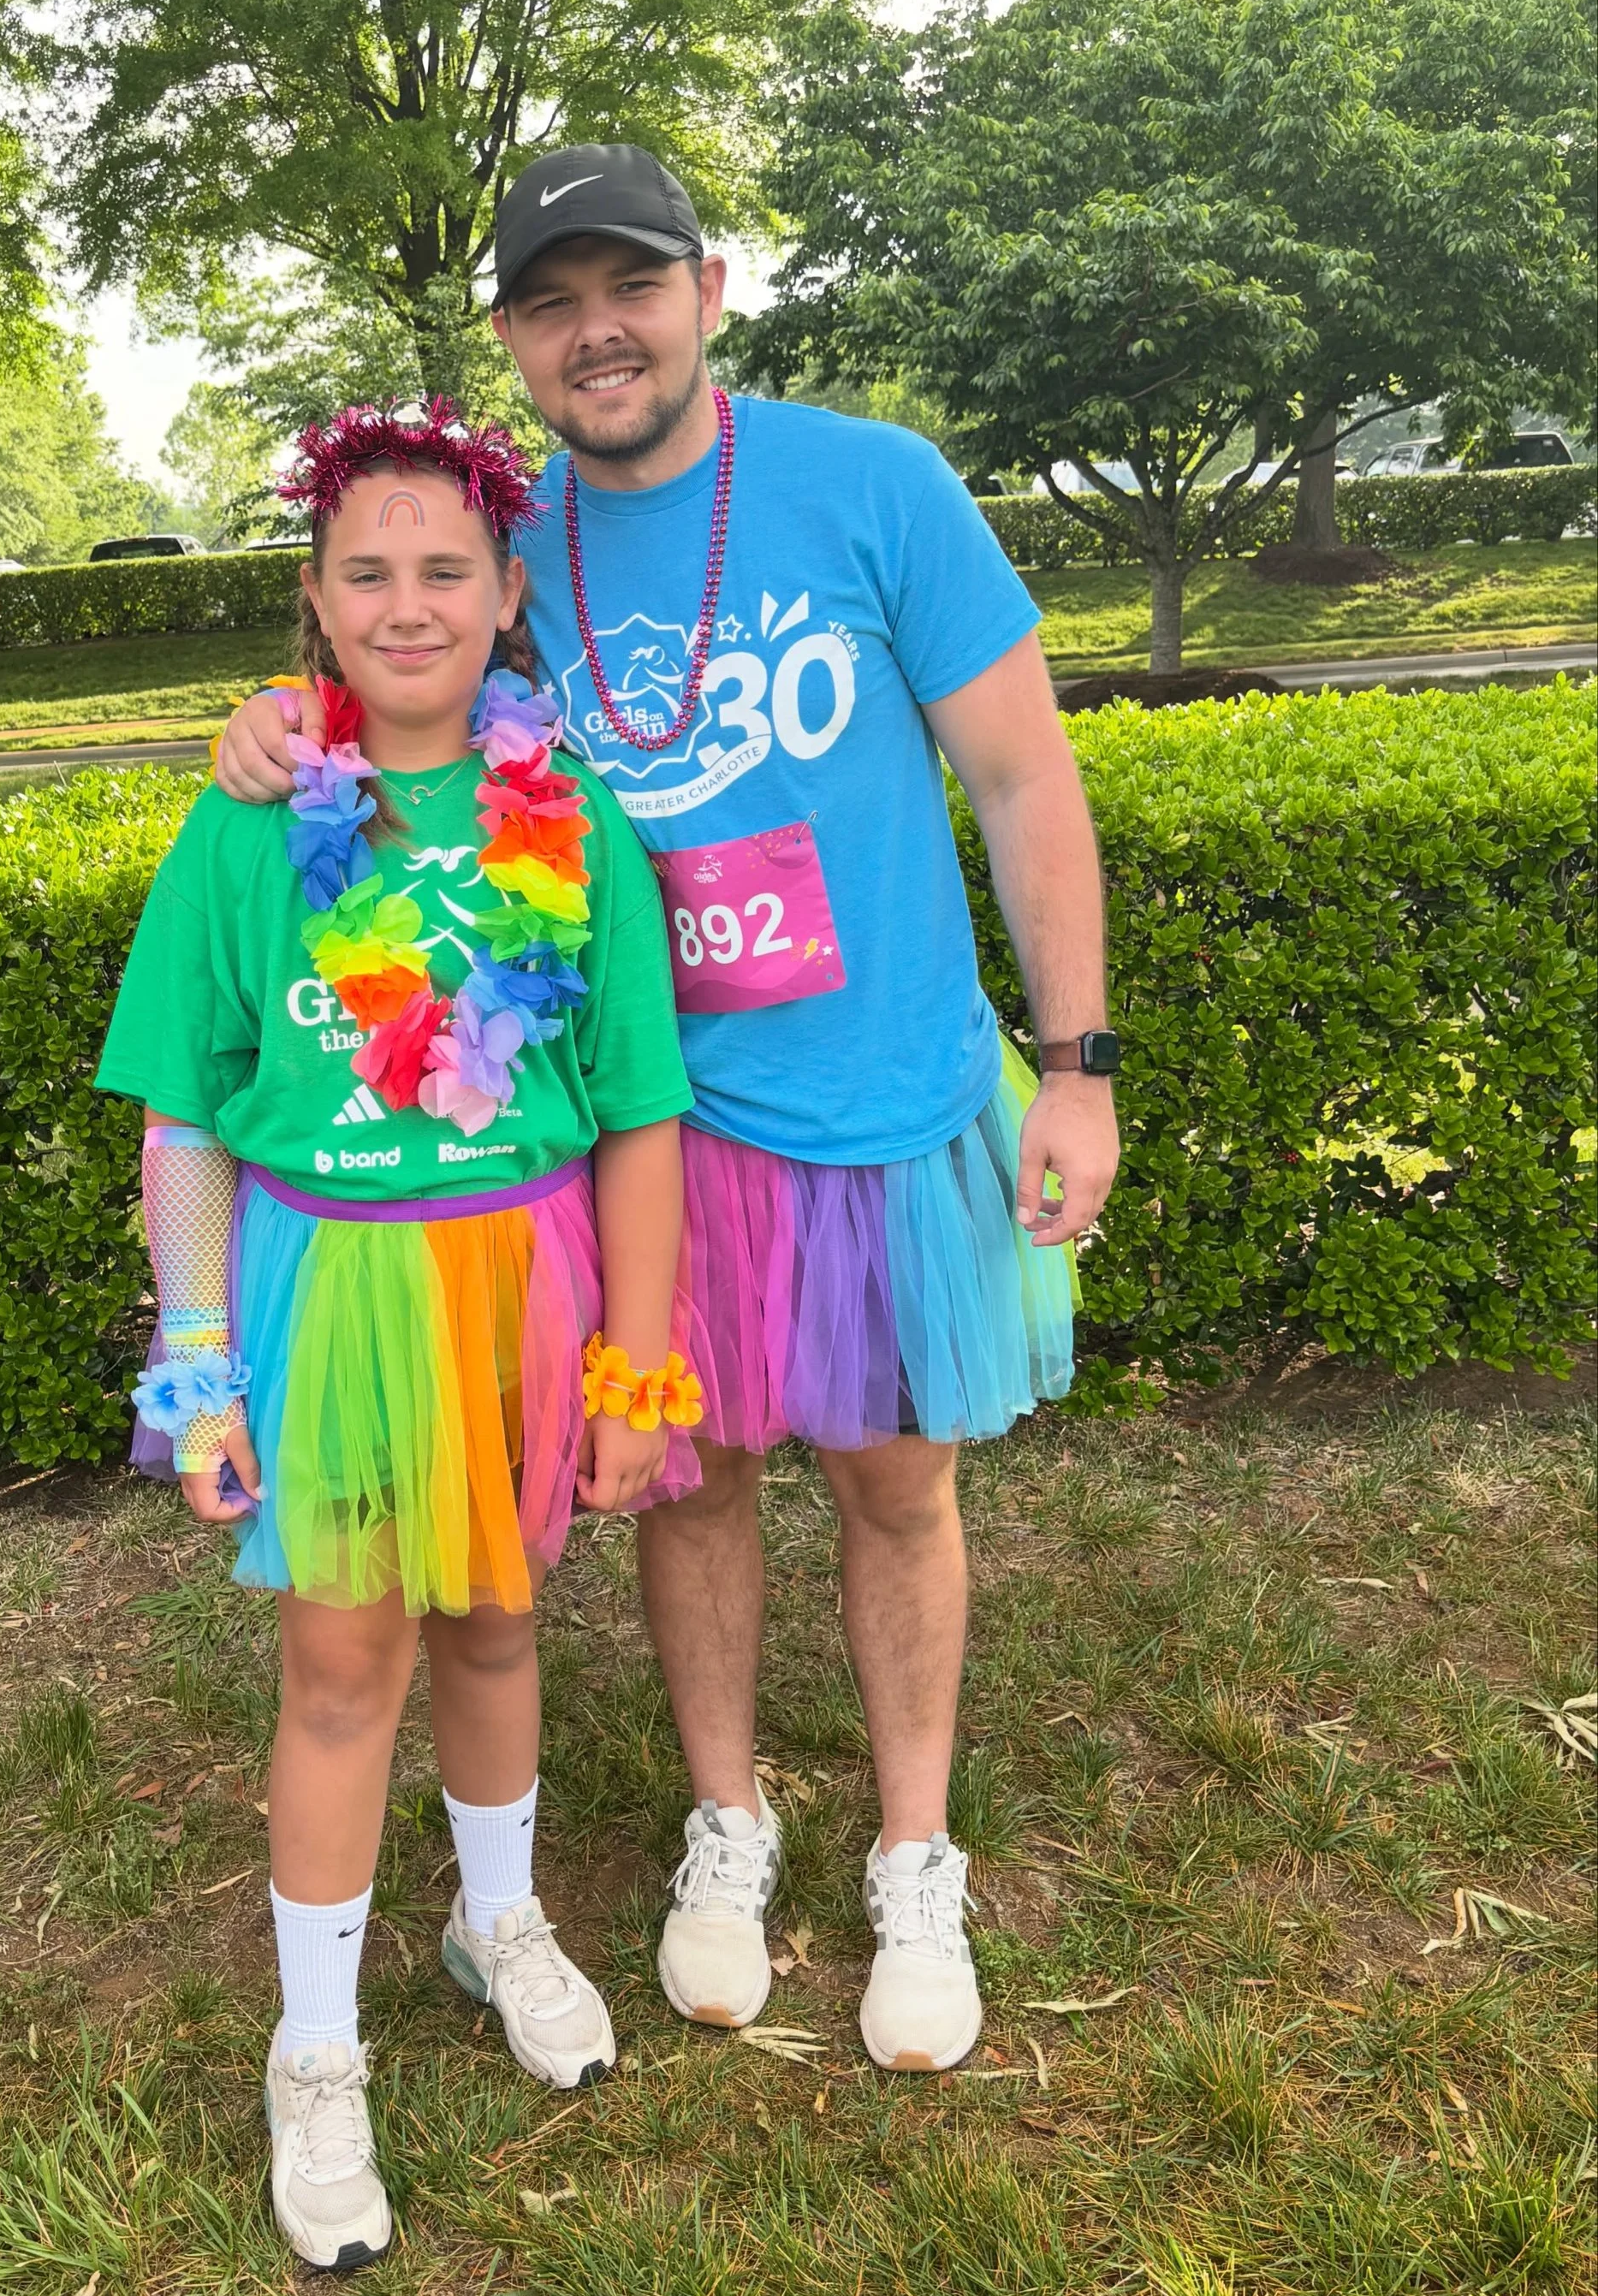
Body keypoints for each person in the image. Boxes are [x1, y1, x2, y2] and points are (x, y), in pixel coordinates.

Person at [211, 145, 1121, 2079]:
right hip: (645, 1127)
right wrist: (262, 721)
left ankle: (909, 1847)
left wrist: (1076, 1062)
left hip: (879, 1101)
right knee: (681, 1480)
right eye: (549, 301)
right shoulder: (500, 536)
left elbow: (1025, 782)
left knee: (893, 1476)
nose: (592, 329)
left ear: (707, 288)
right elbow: (385, 688)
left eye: (627, 284)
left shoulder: (872, 483)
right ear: (511, 341)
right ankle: (727, 1821)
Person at [95, 399, 700, 2271]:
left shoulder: (568, 815)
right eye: (369, 570)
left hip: (523, 1282)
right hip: (328, 1281)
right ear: (315, 598)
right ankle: (312, 2043)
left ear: (507, 590)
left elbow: (637, 1115)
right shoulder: (250, 813)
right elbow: (185, 1114)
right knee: (343, 1660)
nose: (409, 600)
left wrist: (632, 1366)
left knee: (502, 1607)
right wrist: (194, 1353)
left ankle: (495, 1915)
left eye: (446, 568)